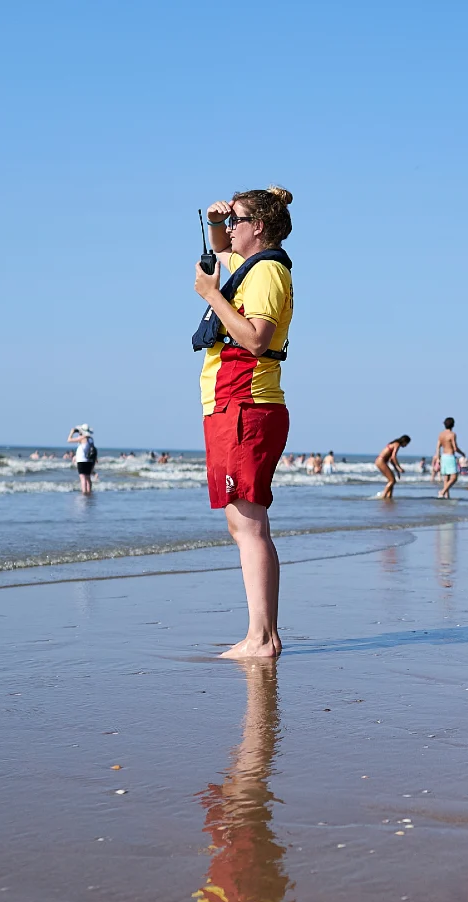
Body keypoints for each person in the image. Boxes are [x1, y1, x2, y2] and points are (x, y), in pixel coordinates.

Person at [195, 186, 296, 658]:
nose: (229, 228)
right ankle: (261, 635)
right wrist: (217, 221)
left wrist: (212, 296)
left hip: (247, 404)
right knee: (243, 525)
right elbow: (220, 251)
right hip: (230, 405)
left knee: (249, 525)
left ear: (259, 227)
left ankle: (262, 638)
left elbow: (256, 339)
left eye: (237, 220)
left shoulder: (270, 271)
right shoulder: (249, 266)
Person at [434, 417, 462, 499]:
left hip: (443, 457)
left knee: (446, 478)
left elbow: (438, 447)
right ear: (453, 425)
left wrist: (438, 458)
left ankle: (447, 496)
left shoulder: (441, 434)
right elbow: (455, 448)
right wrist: (462, 453)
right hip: (450, 456)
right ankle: (442, 491)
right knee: (454, 477)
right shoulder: (452, 434)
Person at [68, 426, 98, 495]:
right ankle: (89, 492)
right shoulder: (91, 439)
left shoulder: (82, 438)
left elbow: (69, 440)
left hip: (82, 461)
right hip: (89, 461)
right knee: (88, 478)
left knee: (82, 478)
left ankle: (84, 493)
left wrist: (72, 432)